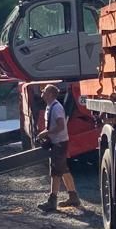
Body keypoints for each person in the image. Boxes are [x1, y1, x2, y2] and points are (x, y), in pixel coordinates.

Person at [36, 83, 80, 213]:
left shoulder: (57, 108)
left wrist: (46, 133)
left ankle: (52, 201)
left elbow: (61, 126)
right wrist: (44, 133)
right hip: (58, 142)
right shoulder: (50, 107)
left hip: (59, 143)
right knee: (64, 170)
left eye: (44, 91)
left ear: (50, 94)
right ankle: (73, 197)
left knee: (55, 172)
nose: (42, 93)